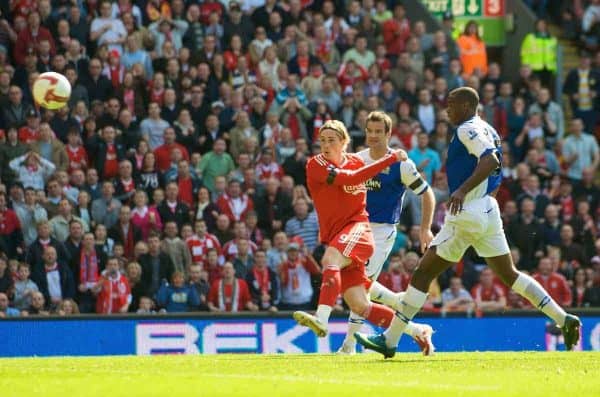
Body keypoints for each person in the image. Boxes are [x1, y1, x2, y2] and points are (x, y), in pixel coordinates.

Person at [355, 87, 581, 358]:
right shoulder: (489, 129)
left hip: (468, 209)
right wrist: (483, 195)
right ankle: (563, 318)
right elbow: (497, 167)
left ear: (465, 105)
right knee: (509, 274)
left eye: (451, 104)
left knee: (424, 272)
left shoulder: (466, 129)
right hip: (487, 208)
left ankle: (390, 341)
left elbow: (491, 160)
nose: (447, 109)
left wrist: (462, 191)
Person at [292, 119, 407, 338]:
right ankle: (417, 331)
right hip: (337, 235)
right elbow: (352, 178)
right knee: (359, 304)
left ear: (344, 142)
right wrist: (390, 158)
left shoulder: (355, 161)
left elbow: (363, 169)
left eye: (332, 140)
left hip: (358, 229)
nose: (326, 146)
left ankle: (321, 319)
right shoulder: (316, 164)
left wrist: (390, 157)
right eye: (322, 141)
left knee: (329, 260)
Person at [338, 111, 436, 355]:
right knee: (358, 286)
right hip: (356, 230)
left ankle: (348, 346)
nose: (372, 136)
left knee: (358, 289)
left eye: (378, 132)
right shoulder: (357, 159)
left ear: (388, 134)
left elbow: (427, 194)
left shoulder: (401, 164)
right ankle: (416, 329)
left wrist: (424, 229)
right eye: (369, 131)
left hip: (381, 234)